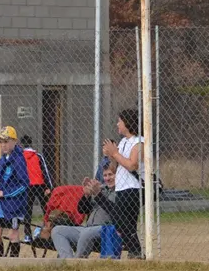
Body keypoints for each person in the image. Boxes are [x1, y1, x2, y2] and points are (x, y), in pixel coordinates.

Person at [101, 109, 144, 259]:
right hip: (121, 187)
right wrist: (110, 155)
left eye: (120, 121)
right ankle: (134, 252)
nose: (117, 124)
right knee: (125, 223)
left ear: (127, 123)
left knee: (119, 218)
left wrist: (115, 153)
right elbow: (116, 166)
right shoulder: (124, 141)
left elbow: (132, 165)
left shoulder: (138, 142)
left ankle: (136, 249)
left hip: (132, 188)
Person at [51, 165, 118, 259]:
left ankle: (77, 261)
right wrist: (86, 195)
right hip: (87, 228)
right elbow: (82, 209)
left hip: (105, 229)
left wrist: (98, 194)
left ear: (118, 175)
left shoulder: (121, 191)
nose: (107, 178)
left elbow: (114, 211)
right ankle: (66, 260)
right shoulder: (101, 188)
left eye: (110, 175)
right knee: (57, 230)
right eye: (105, 175)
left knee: (87, 233)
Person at [0, 126, 30, 257]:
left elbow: (24, 184)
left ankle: (13, 262)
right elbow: (1, 182)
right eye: (1, 142)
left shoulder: (19, 160)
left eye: (6, 141)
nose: (3, 145)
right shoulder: (1, 162)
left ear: (15, 141)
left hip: (15, 204)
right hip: (2, 203)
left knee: (13, 234)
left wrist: (5, 193)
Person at [20, 135, 54, 243]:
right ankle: (49, 232)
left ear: (22, 144)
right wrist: (49, 186)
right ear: (31, 143)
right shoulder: (38, 156)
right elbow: (45, 171)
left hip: (27, 186)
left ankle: (27, 235)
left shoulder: (20, 156)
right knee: (45, 209)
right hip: (39, 184)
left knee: (27, 211)